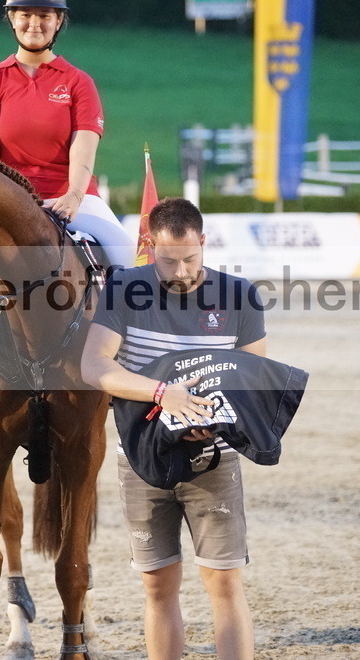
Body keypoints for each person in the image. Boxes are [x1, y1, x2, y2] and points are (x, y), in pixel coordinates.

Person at [0, 0, 134, 407]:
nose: (34, 23)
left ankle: (127, 358)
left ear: (58, 22)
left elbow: (83, 147)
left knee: (125, 253)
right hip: (8, 202)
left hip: (72, 196)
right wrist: (15, 208)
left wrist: (74, 194)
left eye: (44, 15)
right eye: (25, 14)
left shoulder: (78, 83)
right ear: (12, 19)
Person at [81, 197, 264, 660]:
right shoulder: (123, 289)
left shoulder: (240, 295)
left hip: (214, 457)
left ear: (203, 242)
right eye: (167, 260)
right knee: (158, 584)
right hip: (142, 459)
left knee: (223, 581)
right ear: (149, 246)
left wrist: (218, 420)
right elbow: (93, 366)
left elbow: (254, 380)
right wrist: (164, 395)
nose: (180, 271)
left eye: (190, 258)